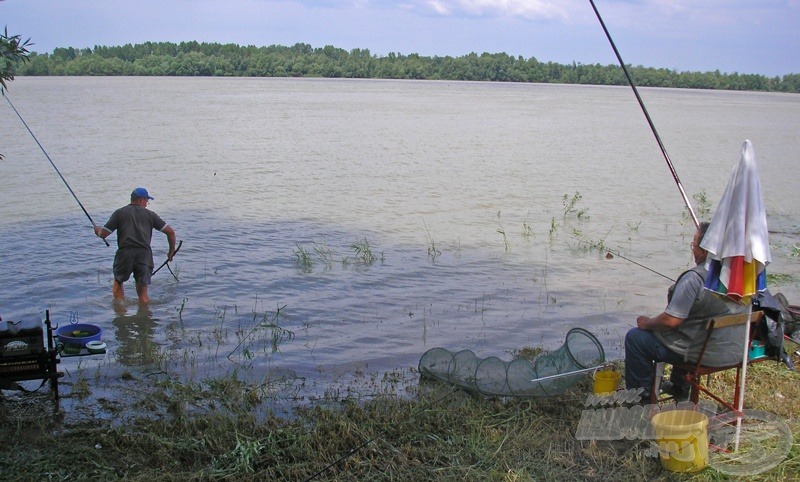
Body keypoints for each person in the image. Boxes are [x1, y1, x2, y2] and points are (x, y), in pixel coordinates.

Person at [624, 221, 745, 401]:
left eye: (694, 245)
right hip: (734, 351)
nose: (693, 249)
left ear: (704, 250)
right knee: (690, 329)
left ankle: (640, 399)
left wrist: (647, 323)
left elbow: (671, 321)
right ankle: (679, 387)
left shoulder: (693, 279)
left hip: (703, 354)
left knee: (635, 338)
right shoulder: (739, 277)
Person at [94, 187, 176, 304]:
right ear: (141, 200)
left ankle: (120, 312)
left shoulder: (119, 213)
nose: (147, 204)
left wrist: (97, 231)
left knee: (118, 281)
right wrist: (171, 251)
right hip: (144, 255)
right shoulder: (150, 215)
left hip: (125, 253)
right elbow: (171, 232)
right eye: (147, 200)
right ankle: (144, 315)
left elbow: (103, 234)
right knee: (143, 291)